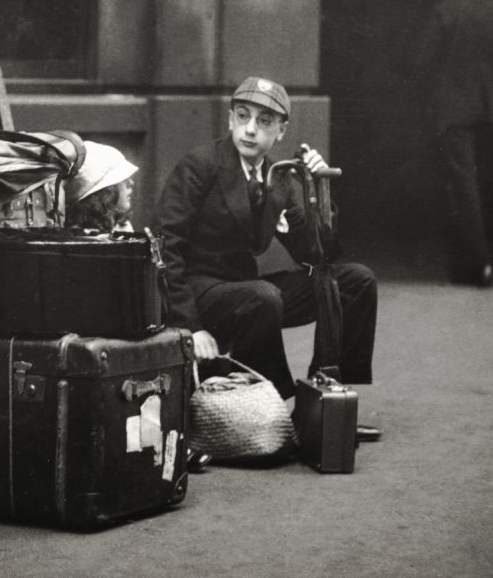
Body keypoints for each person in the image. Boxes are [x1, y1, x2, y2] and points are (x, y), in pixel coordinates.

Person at [154, 76, 381, 442]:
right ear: (229, 120)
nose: (249, 129)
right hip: (199, 292)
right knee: (263, 296)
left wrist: (315, 188)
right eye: (242, 116)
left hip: (245, 290)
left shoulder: (279, 177)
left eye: (264, 122)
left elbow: (317, 253)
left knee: (353, 281)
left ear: (281, 131)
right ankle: (270, 412)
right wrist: (190, 326)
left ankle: (326, 401)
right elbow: (165, 246)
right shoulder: (201, 165)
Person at [66, 140, 213, 470]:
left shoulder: (122, 231)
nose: (131, 184)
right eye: (121, 181)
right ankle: (153, 447)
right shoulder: (89, 241)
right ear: (101, 192)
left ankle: (163, 440)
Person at [414, 0, 493, 287]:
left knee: (464, 189)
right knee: (485, 184)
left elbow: (420, 61)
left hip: (454, 111)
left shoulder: (443, 11)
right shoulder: (491, 10)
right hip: (489, 109)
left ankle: (477, 265)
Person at [64, 140, 137, 232]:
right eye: (123, 179)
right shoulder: (79, 235)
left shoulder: (122, 227)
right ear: (105, 191)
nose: (131, 183)